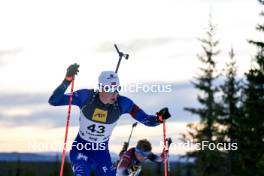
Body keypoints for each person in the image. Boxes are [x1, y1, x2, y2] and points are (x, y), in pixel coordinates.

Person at [48, 63, 171, 176]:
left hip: (101, 151)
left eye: (117, 89)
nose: (115, 94)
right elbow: (54, 101)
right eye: (110, 89)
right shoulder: (86, 97)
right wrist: (67, 79)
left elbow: (146, 120)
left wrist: (159, 118)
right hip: (81, 148)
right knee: (82, 173)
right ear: (101, 88)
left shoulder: (123, 104)